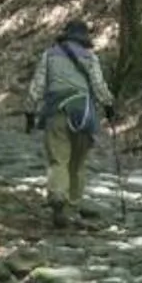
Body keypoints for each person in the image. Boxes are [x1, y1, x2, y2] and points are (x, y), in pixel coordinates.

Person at [25, 17, 118, 229]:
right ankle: (73, 206)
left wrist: (29, 112)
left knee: (59, 160)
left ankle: (58, 197)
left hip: (56, 113)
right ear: (84, 38)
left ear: (65, 35)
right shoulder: (90, 57)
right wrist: (109, 106)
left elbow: (37, 87)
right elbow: (99, 86)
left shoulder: (49, 55)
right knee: (77, 164)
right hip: (84, 115)